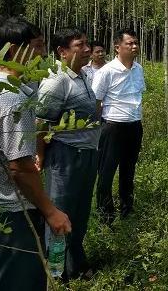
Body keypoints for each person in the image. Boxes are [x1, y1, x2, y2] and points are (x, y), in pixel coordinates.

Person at [0, 16, 71, 291]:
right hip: (11, 217)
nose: (42, 54)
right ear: (15, 50)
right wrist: (51, 211)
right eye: (37, 47)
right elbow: (20, 168)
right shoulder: (12, 99)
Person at [36, 28, 101, 280]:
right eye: (79, 45)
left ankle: (75, 265)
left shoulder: (82, 75)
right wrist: (40, 156)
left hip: (86, 154)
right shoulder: (56, 80)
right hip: (65, 157)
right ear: (62, 52)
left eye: (87, 44)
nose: (86, 49)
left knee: (80, 213)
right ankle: (56, 273)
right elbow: (41, 123)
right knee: (60, 213)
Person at [92, 29, 145, 224]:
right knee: (106, 172)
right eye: (129, 43)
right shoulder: (106, 72)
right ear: (117, 47)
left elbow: (138, 96)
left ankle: (126, 209)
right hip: (112, 127)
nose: (134, 46)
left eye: (136, 43)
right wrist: (98, 129)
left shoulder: (139, 69)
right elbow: (96, 102)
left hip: (134, 126)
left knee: (128, 170)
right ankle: (106, 216)